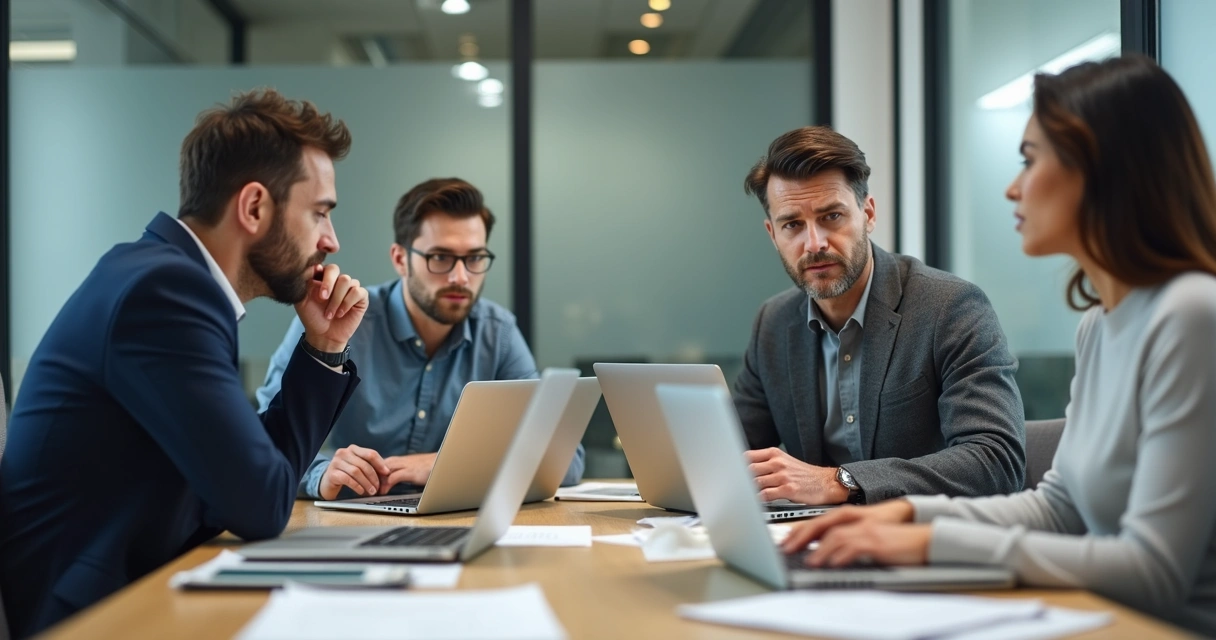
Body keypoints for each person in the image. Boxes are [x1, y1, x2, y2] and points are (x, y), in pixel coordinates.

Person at [781, 56, 1216, 636]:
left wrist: (929, 543)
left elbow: (1153, 570)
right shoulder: (1100, 325)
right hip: (1097, 615)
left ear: (1105, 172)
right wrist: (906, 514)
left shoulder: (1191, 314)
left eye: (1031, 160)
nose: (1013, 186)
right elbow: (1057, 508)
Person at [0, 89, 368, 638]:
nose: (331, 241)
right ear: (253, 208)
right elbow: (260, 503)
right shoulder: (166, 292)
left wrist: (323, 347)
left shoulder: (167, 279)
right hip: (96, 615)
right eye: (319, 213)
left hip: (145, 586)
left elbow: (256, 476)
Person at [734, 126, 1026, 506]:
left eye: (832, 217)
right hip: (813, 542)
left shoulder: (951, 308)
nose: (815, 243)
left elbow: (996, 460)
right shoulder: (773, 323)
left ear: (868, 214)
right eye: (793, 225)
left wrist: (840, 481)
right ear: (773, 234)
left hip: (921, 544)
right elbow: (733, 450)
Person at [256, 177, 584, 501]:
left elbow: (566, 459)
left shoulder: (497, 332)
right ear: (400, 259)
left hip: (455, 525)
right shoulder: (336, 321)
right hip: (342, 523)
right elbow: (263, 444)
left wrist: (448, 465)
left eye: (474, 259)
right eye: (440, 257)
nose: (460, 277)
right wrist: (321, 473)